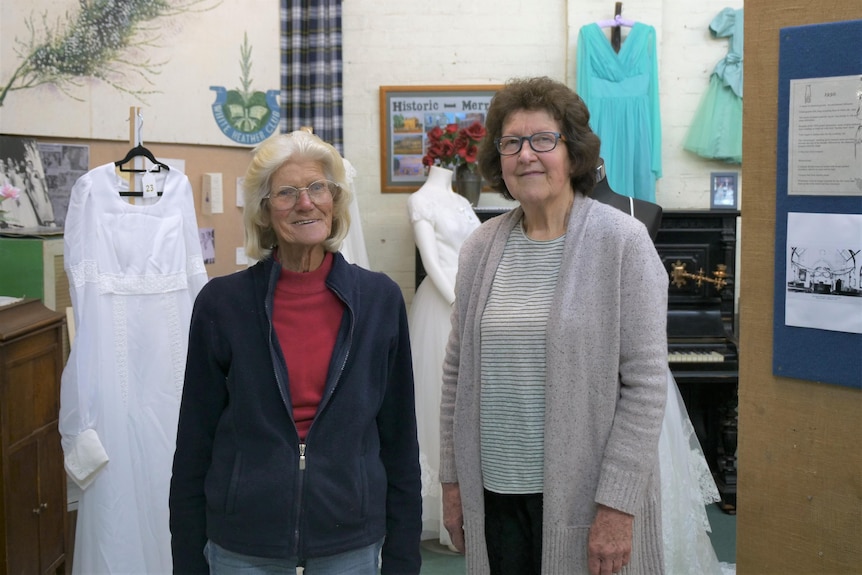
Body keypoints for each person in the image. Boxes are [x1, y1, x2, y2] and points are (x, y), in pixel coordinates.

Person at [439, 76, 669, 575]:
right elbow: (457, 373)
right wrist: (452, 483)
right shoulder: (481, 247)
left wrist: (617, 506)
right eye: (511, 142)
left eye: (543, 140)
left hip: (586, 499)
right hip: (495, 491)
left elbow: (647, 386)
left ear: (574, 152)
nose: (527, 155)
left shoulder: (622, 243)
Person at [169, 130, 422, 574]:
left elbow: (400, 440)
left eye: (317, 188)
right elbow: (194, 443)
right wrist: (188, 560)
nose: (305, 203)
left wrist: (403, 557)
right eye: (286, 192)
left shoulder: (379, 299)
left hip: (349, 540)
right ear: (265, 211)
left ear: (335, 200)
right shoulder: (221, 304)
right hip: (244, 544)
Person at [406, 165, 480, 547]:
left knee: (472, 399)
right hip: (442, 304)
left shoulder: (463, 201)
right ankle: (441, 509)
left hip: (472, 297)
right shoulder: (419, 200)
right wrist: (456, 303)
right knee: (440, 396)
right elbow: (430, 260)